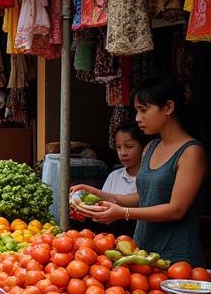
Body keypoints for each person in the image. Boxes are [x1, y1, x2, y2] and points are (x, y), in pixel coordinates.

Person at [74, 77, 207, 267]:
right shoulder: (150, 147)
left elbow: (176, 209)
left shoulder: (191, 152)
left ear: (168, 107)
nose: (137, 118)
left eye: (143, 110)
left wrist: (124, 213)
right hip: (142, 249)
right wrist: (98, 194)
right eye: (137, 111)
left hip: (177, 256)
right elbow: (143, 197)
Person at [102, 121, 147, 199]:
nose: (122, 153)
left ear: (144, 146)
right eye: (119, 147)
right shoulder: (113, 177)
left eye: (129, 146)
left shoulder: (150, 178)